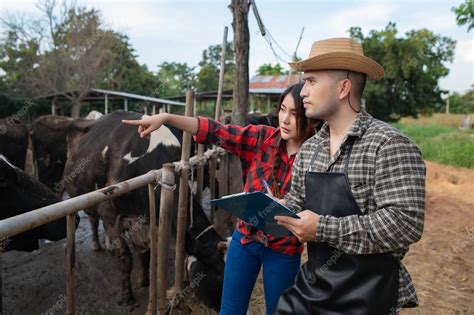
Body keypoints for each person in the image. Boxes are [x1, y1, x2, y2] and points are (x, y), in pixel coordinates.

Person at [122, 83, 319, 315]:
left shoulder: (318, 157)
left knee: (279, 312)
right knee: (230, 310)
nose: (284, 119)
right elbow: (215, 131)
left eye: (294, 114)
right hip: (245, 240)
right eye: (283, 109)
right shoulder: (261, 138)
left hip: (284, 249)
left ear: (311, 118)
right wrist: (166, 118)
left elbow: (320, 208)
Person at [273, 38, 426, 314]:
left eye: (311, 81)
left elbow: (405, 223)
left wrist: (322, 229)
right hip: (313, 291)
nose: (303, 92)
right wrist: (277, 209)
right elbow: (297, 198)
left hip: (368, 297)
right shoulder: (309, 150)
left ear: (343, 88)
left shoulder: (388, 145)